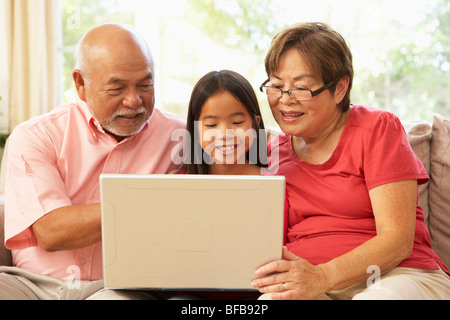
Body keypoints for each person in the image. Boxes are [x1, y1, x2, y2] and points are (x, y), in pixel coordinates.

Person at [250, 22, 450, 300]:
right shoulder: (271, 154)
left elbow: (398, 241)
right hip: (311, 286)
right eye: (276, 86)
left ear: (340, 88)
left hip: (398, 275)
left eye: (301, 88)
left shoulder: (378, 128)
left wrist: (322, 277)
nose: (285, 100)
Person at [0, 23, 186, 300]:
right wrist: (147, 198)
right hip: (31, 285)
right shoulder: (35, 137)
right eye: (117, 88)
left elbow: (243, 153)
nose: (134, 101)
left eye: (145, 85)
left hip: (118, 287)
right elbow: (52, 231)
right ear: (81, 85)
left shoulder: (181, 138)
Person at [185, 69, 268, 175]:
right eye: (212, 124)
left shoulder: (278, 185)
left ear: (255, 126)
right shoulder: (177, 185)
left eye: (237, 122)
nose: (225, 134)